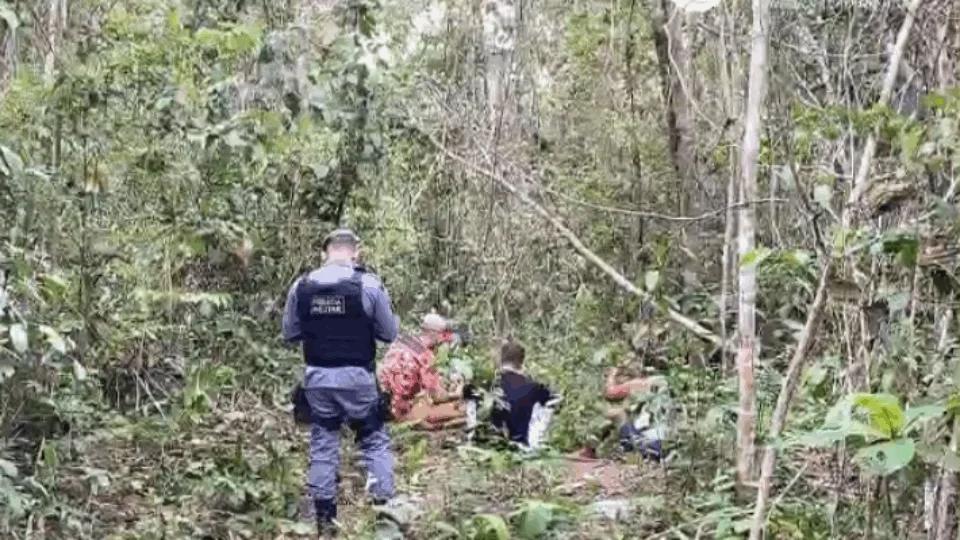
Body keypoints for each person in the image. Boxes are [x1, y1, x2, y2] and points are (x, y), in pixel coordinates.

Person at [282, 228, 400, 537]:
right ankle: (384, 517)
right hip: (358, 377)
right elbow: (389, 333)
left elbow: (290, 332)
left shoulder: (302, 286)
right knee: (374, 440)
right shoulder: (369, 284)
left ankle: (325, 524)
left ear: (325, 253)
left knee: (323, 444)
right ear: (355, 252)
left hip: (318, 378)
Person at [377, 312, 469, 431]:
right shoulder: (426, 357)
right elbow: (437, 396)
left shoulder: (401, 342)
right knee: (463, 409)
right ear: (436, 335)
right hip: (402, 411)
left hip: (383, 403)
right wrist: (458, 392)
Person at [490, 340, 558, 450]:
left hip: (492, 445)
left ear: (501, 359)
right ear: (522, 361)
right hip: (522, 446)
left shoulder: (490, 384)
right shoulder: (533, 387)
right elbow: (554, 401)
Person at [602, 366, 668, 461]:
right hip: (665, 436)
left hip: (648, 440)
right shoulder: (664, 381)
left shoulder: (638, 383)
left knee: (617, 414)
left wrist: (611, 375)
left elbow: (610, 392)